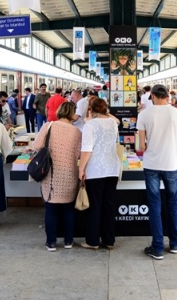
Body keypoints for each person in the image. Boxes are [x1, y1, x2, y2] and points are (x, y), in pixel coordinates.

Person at [137, 84, 177, 260]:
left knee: (154, 206)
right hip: (171, 164)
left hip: (151, 164)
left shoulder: (144, 114)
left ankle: (157, 247)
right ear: (168, 96)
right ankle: (175, 243)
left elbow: (141, 146)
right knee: (173, 205)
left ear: (152, 95)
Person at [32, 102, 82, 251]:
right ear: (72, 114)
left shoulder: (48, 126)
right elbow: (79, 154)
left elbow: (36, 146)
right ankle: (68, 241)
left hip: (50, 174)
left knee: (51, 209)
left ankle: (51, 242)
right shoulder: (77, 132)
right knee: (68, 210)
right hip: (70, 174)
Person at [79, 98, 120, 250]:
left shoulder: (90, 125)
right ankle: (109, 240)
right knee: (109, 205)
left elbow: (87, 149)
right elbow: (114, 120)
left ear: (90, 109)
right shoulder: (112, 123)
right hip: (112, 168)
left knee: (95, 206)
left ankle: (93, 241)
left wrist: (81, 168)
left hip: (96, 169)